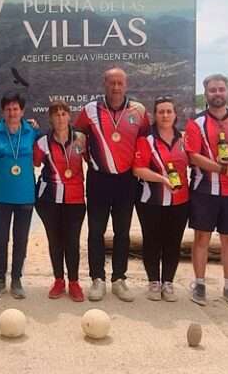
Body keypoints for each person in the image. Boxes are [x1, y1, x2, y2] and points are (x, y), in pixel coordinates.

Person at [74, 67, 149, 302]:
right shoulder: (89, 110)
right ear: (104, 84)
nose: (116, 87)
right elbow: (78, 137)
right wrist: (89, 159)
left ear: (126, 85)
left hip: (127, 181)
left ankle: (119, 279)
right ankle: (97, 279)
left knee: (122, 232)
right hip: (98, 179)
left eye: (120, 83)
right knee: (96, 231)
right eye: (111, 83)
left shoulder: (139, 111)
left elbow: (145, 142)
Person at [184, 74, 228, 308]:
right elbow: (193, 155)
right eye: (213, 90)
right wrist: (222, 169)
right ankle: (199, 283)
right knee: (202, 238)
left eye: (221, 89)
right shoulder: (195, 123)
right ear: (206, 94)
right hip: (203, 189)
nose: (217, 93)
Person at [132, 96, 189, 302]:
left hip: (180, 201)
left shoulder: (184, 139)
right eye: (161, 112)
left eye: (169, 111)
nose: (165, 115)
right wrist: (162, 179)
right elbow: (138, 169)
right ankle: (154, 282)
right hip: (151, 201)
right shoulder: (146, 139)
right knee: (152, 242)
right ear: (154, 115)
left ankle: (168, 282)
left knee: (173, 242)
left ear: (175, 114)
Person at [0, 91, 39, 299]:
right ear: (3, 111)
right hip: (1, 195)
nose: (12, 112)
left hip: (25, 195)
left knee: (21, 240)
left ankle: (16, 279)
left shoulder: (32, 131)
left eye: (16, 109)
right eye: (8, 109)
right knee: (0, 239)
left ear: (22, 111)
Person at [34, 100, 87, 302]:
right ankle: (58, 280)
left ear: (69, 116)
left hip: (75, 200)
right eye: (56, 114)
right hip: (50, 201)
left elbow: (93, 160)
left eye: (64, 114)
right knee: (55, 241)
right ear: (50, 118)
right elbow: (35, 163)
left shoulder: (81, 139)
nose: (60, 118)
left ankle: (74, 282)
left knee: (72, 242)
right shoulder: (42, 142)